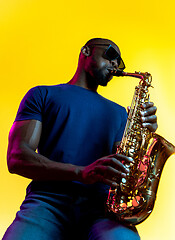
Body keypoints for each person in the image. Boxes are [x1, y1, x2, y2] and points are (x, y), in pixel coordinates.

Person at [3, 38, 157, 240]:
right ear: (86, 51)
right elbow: (17, 158)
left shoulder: (121, 114)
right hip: (47, 201)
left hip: (103, 209)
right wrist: (80, 172)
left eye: (119, 62)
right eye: (111, 55)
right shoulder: (42, 94)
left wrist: (145, 136)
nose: (115, 64)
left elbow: (125, 173)